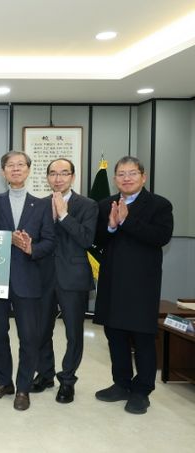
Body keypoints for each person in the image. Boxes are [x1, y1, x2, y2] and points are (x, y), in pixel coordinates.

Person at [93, 156, 173, 415]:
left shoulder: (159, 205)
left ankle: (142, 391)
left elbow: (161, 237)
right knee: (114, 335)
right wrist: (111, 226)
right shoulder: (105, 204)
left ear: (143, 176)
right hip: (112, 281)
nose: (126, 178)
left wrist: (127, 222)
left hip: (142, 284)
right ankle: (121, 383)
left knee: (142, 338)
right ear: (115, 178)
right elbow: (96, 240)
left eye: (132, 173)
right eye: (121, 174)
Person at [0, 150, 55, 411]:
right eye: (10, 165)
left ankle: (23, 388)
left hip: (28, 280)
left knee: (29, 337)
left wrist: (30, 248)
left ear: (28, 170)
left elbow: (50, 241)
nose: (15, 169)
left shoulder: (42, 205)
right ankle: (4, 383)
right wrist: (7, 240)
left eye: (20, 165)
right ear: (3, 171)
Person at [32, 158, 98, 404]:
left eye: (63, 173)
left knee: (73, 333)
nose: (58, 178)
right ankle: (45, 374)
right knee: (41, 331)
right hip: (43, 277)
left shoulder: (88, 205)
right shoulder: (38, 205)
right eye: (53, 173)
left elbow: (86, 239)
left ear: (73, 176)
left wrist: (63, 215)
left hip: (73, 277)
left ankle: (67, 380)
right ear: (47, 177)